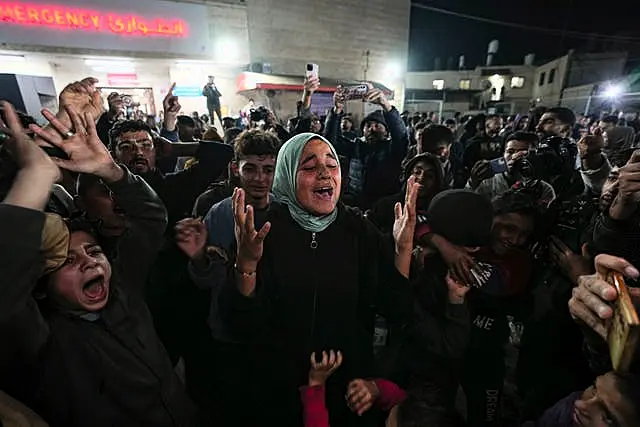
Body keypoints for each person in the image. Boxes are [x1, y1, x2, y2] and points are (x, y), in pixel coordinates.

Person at [0, 102, 197, 426]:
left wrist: (110, 170)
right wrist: (35, 174)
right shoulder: (43, 343)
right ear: (42, 281)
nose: (89, 263)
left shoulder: (124, 291)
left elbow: (150, 216)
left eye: (93, 251)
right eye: (68, 260)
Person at [212, 132, 417, 426]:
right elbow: (240, 325)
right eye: (309, 167)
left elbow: (396, 307)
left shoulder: (358, 229)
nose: (325, 174)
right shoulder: (261, 232)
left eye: (332, 165)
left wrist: (402, 250)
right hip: (277, 391)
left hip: (348, 388)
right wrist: (246, 264)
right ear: (286, 175)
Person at [324, 88, 409, 209]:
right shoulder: (356, 147)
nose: (372, 129)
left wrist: (386, 105)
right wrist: (337, 110)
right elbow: (331, 141)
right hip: (355, 204)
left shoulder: (393, 149)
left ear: (386, 131)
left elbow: (401, 136)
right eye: (368, 125)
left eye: (377, 125)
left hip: (383, 207)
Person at [467, 131, 556, 205]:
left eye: (522, 152)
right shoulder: (488, 181)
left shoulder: (543, 188)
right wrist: (473, 183)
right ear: (503, 154)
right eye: (510, 151)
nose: (514, 156)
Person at [367, 153, 444, 234]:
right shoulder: (386, 205)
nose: (421, 178)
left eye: (429, 176)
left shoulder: (440, 213)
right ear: (409, 175)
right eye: (417, 172)